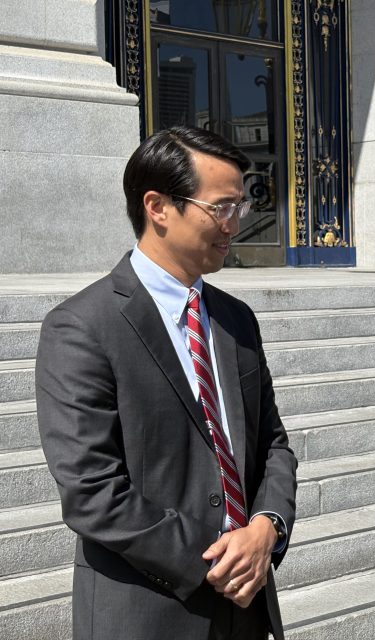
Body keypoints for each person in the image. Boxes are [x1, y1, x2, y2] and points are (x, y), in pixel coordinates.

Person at [36, 126, 298, 640]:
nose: (234, 225)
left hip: (246, 609)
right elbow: (92, 491)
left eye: (240, 207)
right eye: (220, 208)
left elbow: (274, 445)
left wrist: (267, 527)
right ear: (157, 207)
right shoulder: (82, 327)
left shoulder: (235, 319)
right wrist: (216, 559)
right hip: (147, 612)